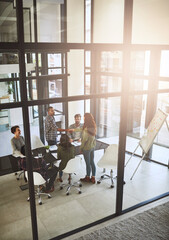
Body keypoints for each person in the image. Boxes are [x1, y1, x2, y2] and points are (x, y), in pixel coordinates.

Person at [79, 113, 97, 184]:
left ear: (86, 119)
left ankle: (87, 177)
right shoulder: (93, 127)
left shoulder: (86, 129)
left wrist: (81, 148)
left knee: (87, 163)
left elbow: (84, 140)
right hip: (92, 147)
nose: (83, 118)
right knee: (92, 162)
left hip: (86, 148)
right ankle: (93, 177)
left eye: (84, 117)